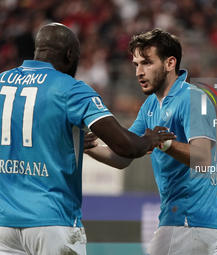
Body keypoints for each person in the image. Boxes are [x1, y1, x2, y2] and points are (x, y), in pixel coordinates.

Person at [0, 23, 175, 255]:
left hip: (4, 224)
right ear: (69, 55)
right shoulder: (71, 89)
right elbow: (125, 146)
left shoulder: (2, 80)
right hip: (52, 221)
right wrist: (148, 140)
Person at [86, 28, 217, 255]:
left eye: (147, 63)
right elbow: (124, 155)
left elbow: (202, 159)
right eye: (136, 65)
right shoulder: (151, 106)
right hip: (196, 224)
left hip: (187, 221)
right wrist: (89, 147)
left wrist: (165, 144)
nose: (139, 72)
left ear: (170, 63)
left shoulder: (193, 97)